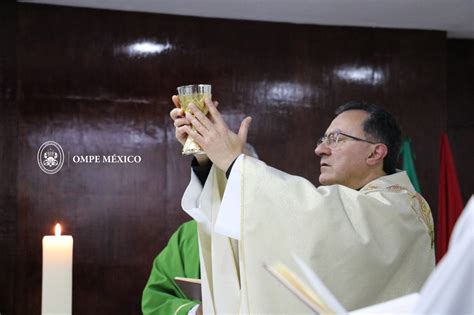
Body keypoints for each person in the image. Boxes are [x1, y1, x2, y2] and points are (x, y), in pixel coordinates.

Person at [172, 97, 435, 314]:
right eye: (323, 139)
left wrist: (234, 163)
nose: (320, 149)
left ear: (375, 153)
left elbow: (317, 222)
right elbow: (264, 230)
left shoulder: (402, 209)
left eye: (336, 139)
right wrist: (210, 161)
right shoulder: (344, 203)